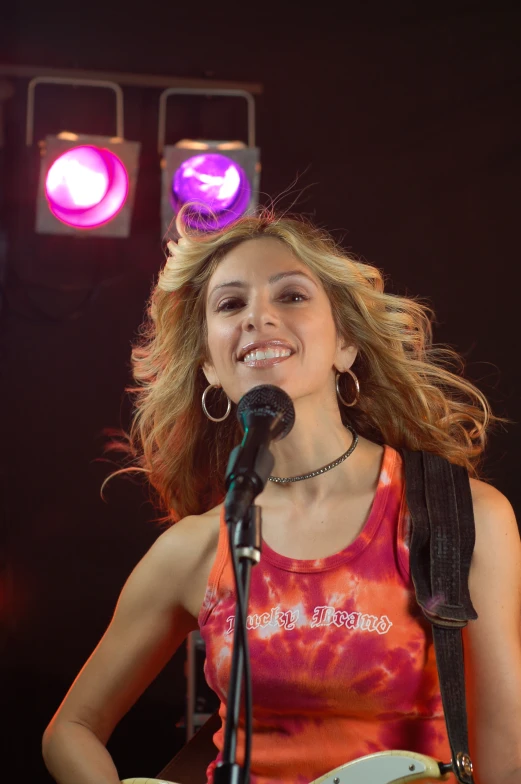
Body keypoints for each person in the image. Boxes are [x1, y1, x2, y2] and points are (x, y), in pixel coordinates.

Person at [42, 210, 521, 784]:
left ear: (346, 344)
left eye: (291, 295)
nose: (258, 317)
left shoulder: (462, 519)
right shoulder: (196, 549)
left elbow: (507, 759)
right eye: (229, 304)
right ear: (209, 368)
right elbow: (71, 728)